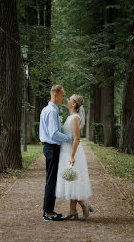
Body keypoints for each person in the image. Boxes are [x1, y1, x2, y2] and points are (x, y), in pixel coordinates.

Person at [55, 94, 93, 220]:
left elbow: (77, 139)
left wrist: (72, 156)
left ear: (74, 104)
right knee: (70, 180)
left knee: (73, 180)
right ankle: (72, 210)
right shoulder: (70, 117)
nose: (67, 100)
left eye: (70, 99)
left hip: (73, 152)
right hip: (66, 151)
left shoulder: (75, 118)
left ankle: (84, 204)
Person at [39, 85, 74, 222]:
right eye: (63, 95)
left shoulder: (47, 109)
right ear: (56, 95)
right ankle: (47, 213)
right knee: (51, 181)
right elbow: (54, 134)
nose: (64, 98)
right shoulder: (52, 111)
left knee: (52, 180)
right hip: (52, 148)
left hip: (50, 148)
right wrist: (70, 139)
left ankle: (49, 210)